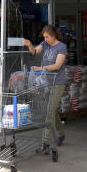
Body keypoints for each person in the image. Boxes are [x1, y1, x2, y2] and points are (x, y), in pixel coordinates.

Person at [23, 24, 67, 153]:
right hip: (46, 83)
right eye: (44, 37)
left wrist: (40, 69)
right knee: (51, 110)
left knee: (49, 112)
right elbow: (35, 51)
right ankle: (60, 134)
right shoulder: (45, 44)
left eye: (47, 37)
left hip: (57, 83)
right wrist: (30, 45)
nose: (45, 39)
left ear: (53, 36)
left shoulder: (61, 47)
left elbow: (57, 66)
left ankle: (45, 143)